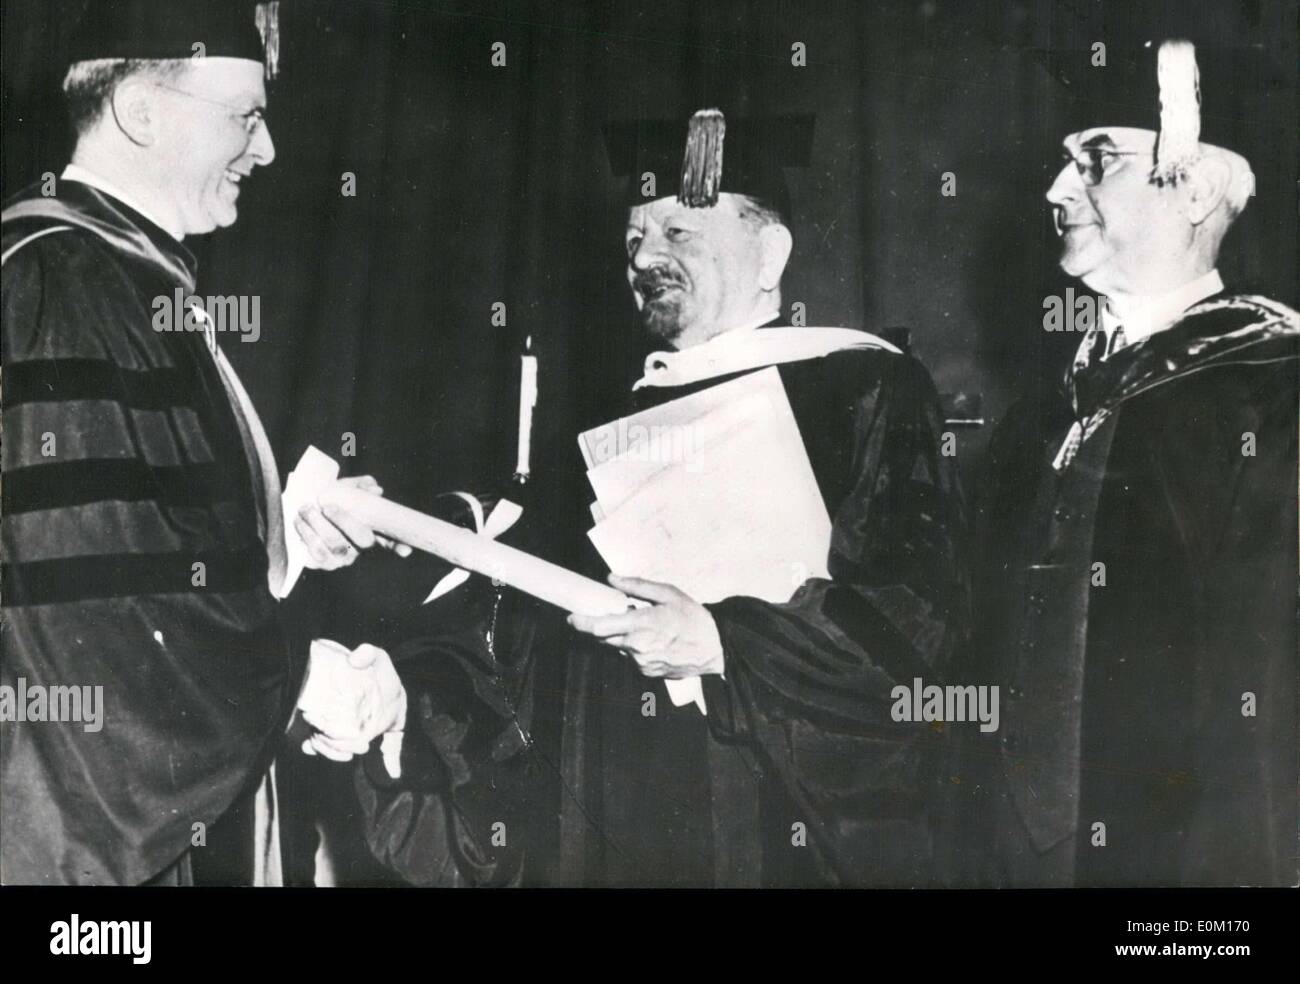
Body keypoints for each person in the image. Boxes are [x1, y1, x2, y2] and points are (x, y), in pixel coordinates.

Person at [358, 108, 968, 887]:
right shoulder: (607, 417)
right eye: (633, 239)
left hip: (773, 811)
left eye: (679, 232)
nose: (646, 256)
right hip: (612, 808)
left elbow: (920, 616)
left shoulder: (862, 388)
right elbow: (514, 631)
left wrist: (725, 641)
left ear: (769, 252)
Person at [1, 0, 406, 886]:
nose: (265, 152)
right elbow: (79, 594)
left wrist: (282, 535)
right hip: (64, 841)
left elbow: (136, 540)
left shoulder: (126, 277)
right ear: (141, 113)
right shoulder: (56, 281)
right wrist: (292, 675)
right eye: (245, 117)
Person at [956, 38, 1299, 886]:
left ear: (1196, 186)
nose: (1056, 190)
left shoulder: (1272, 388)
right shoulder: (1044, 409)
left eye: (1096, 160)